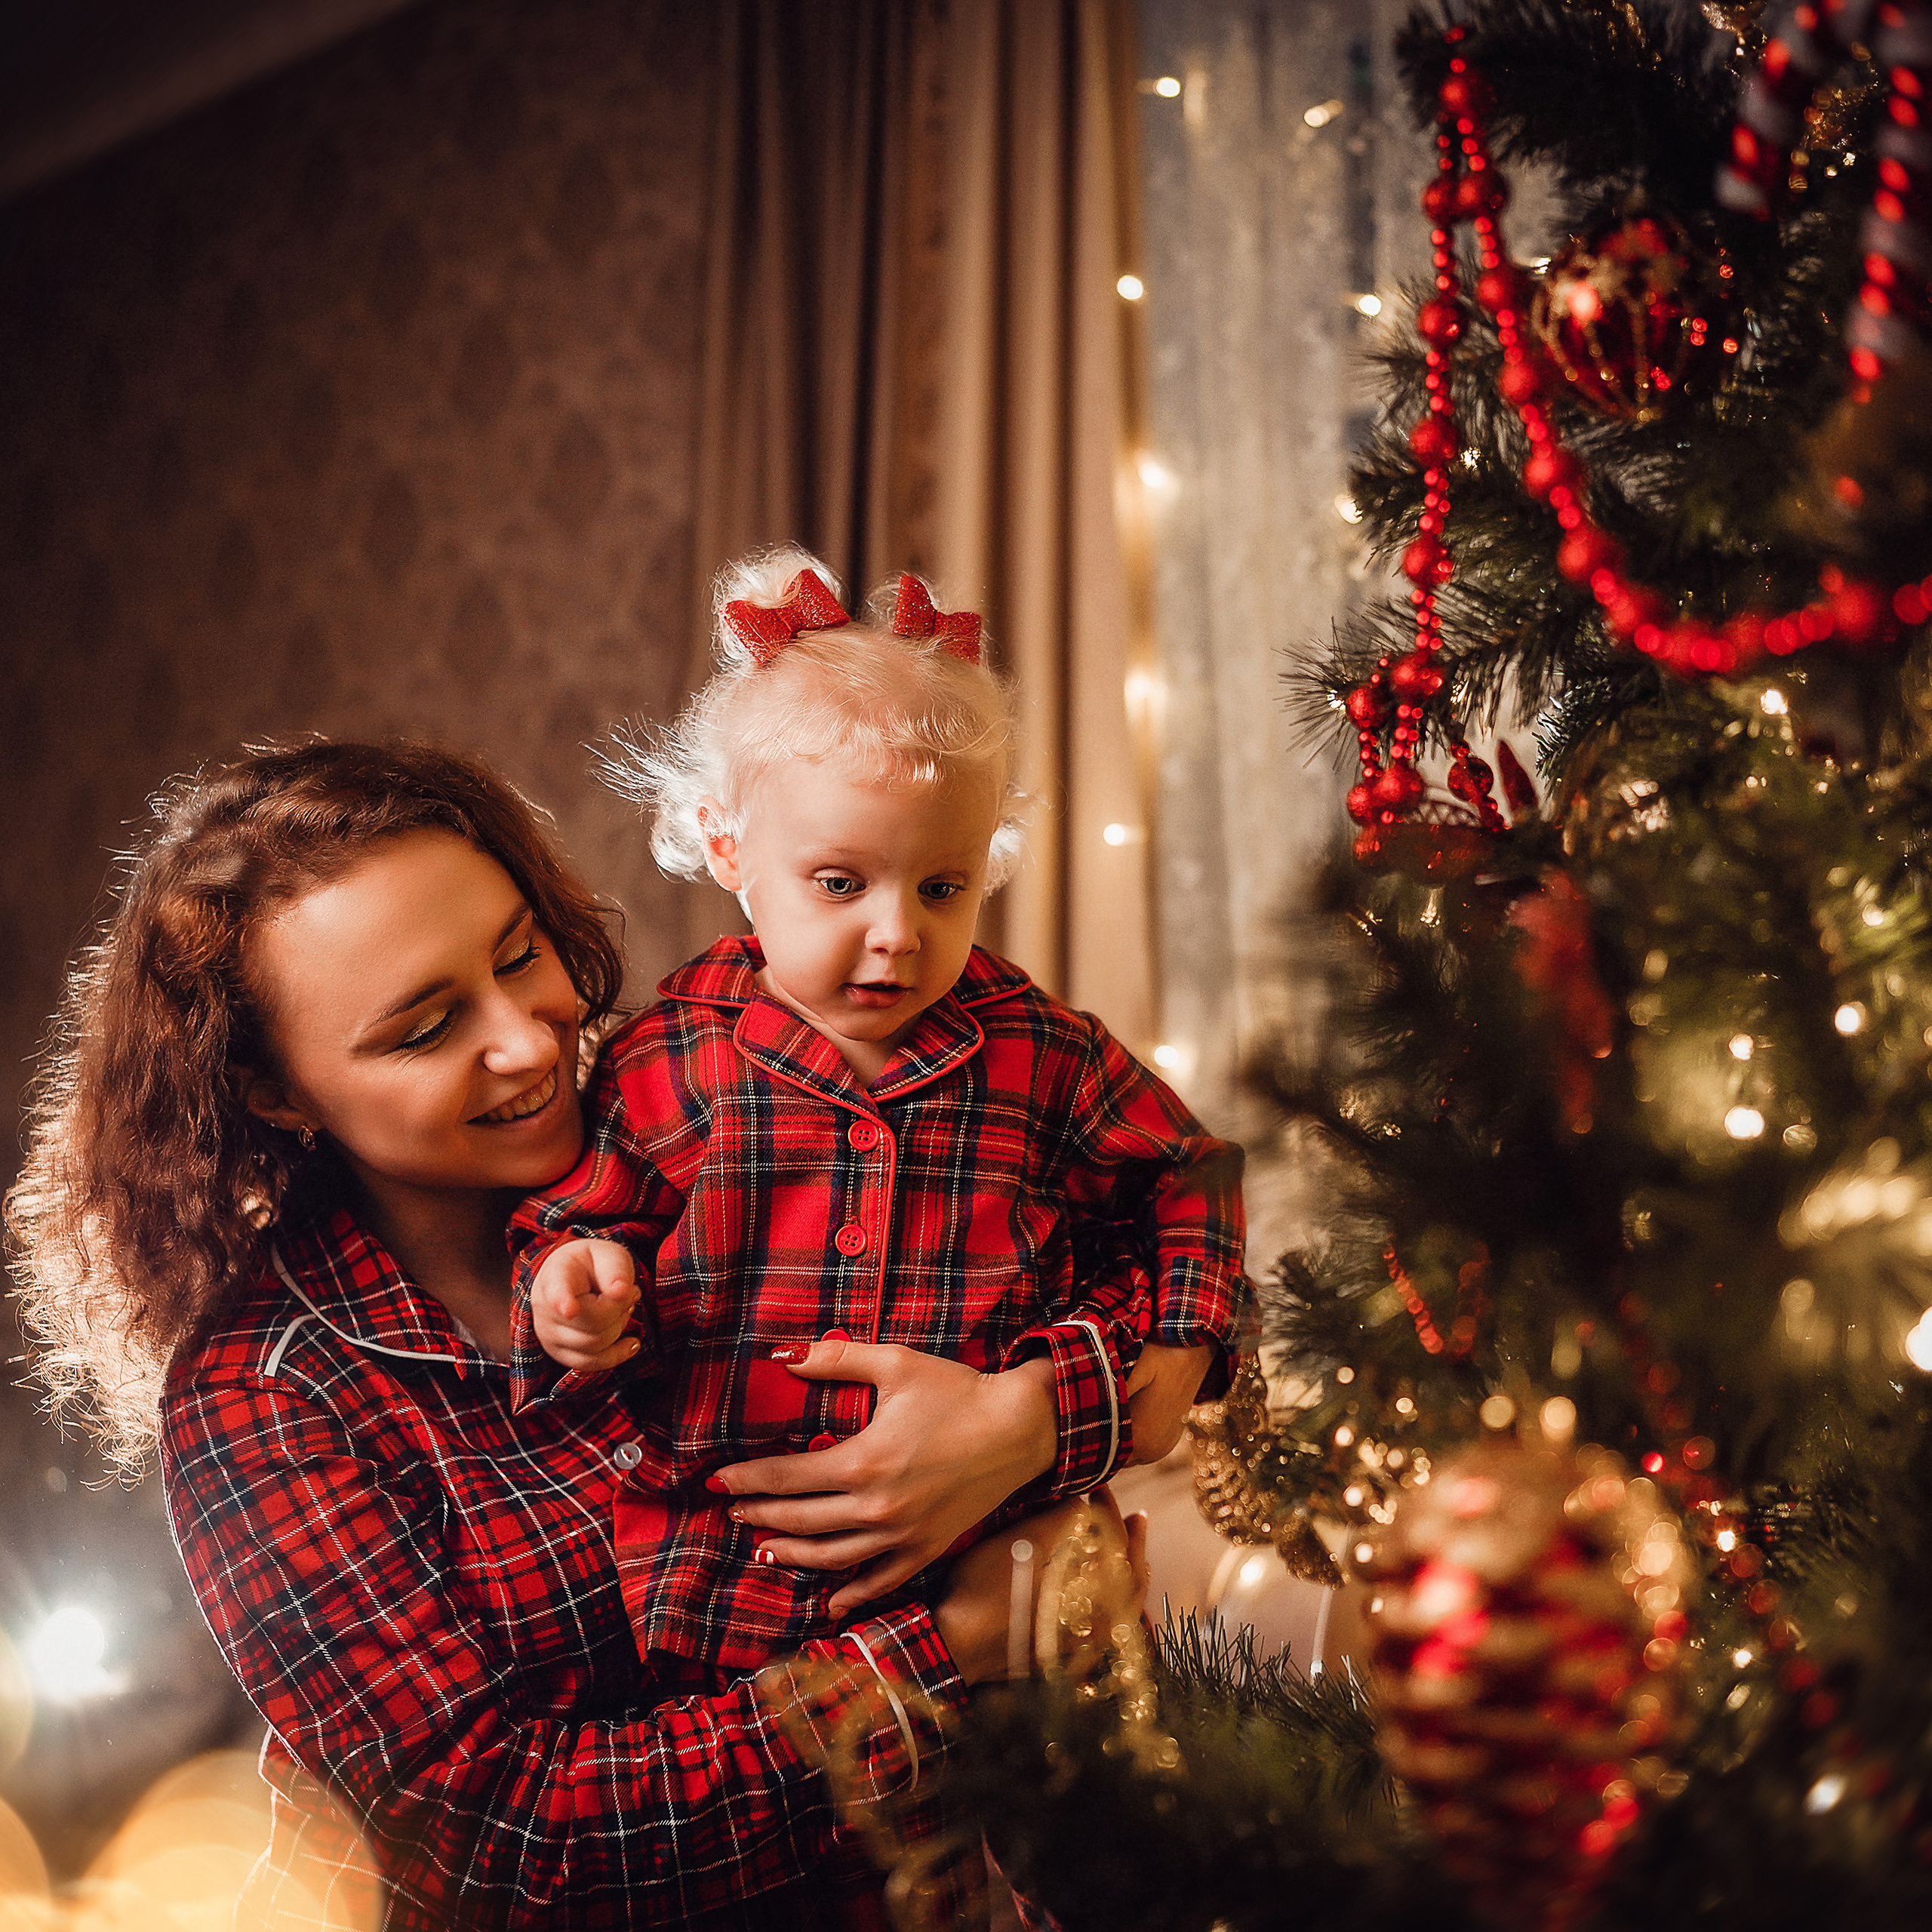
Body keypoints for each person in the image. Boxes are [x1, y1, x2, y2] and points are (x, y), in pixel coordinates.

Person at [4, 740, 1138, 1931]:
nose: (533, 1042)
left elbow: (1146, 1247)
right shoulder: (263, 1400)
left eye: (517, 955)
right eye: (425, 1028)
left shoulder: (721, 1122)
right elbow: (497, 1844)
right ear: (273, 1092)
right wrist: (943, 1651)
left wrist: (1039, 1419)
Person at [516, 549, 1248, 1675]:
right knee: (785, 1827)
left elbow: (1188, 1175)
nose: (899, 933)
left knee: (1011, 1826)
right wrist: (573, 1286)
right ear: (728, 849)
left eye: (942, 887)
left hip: (993, 1555)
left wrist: (1185, 1330)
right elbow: (579, 1219)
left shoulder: (1041, 1050)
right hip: (729, 1584)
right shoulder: (671, 1059)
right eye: (841, 884)